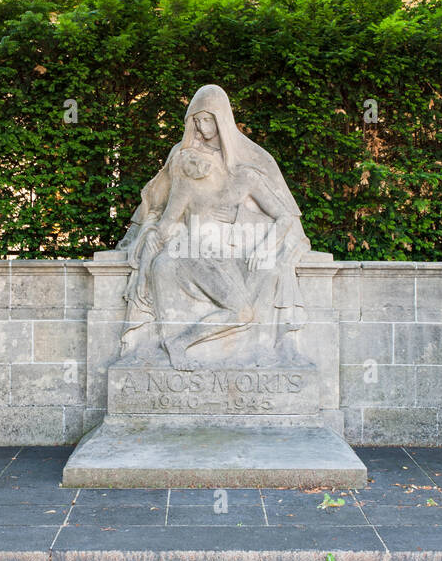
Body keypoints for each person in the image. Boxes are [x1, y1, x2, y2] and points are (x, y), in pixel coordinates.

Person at [116, 85, 311, 369]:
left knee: (265, 277)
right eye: (196, 120)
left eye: (207, 119)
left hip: (232, 251)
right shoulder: (186, 164)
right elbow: (165, 210)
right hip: (196, 250)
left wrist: (251, 230)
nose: (201, 127)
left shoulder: (247, 171)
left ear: (221, 120)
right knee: (240, 307)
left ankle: (263, 349)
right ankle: (178, 344)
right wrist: (147, 235)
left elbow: (284, 216)